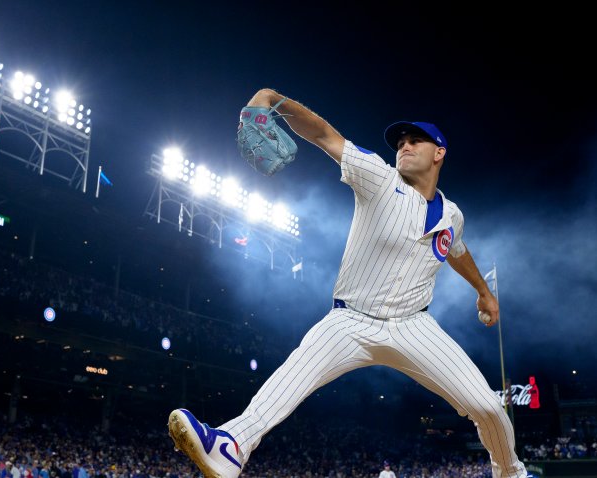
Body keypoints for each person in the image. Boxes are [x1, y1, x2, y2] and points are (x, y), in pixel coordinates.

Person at [167, 88, 529, 478]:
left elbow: (457, 251)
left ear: (439, 153)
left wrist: (484, 292)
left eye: (414, 141)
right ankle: (230, 444)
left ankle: (511, 472)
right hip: (351, 321)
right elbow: (323, 134)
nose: (404, 146)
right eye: (400, 142)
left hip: (414, 325)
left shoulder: (452, 214)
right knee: (294, 377)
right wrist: (274, 99)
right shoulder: (379, 178)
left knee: (489, 407)